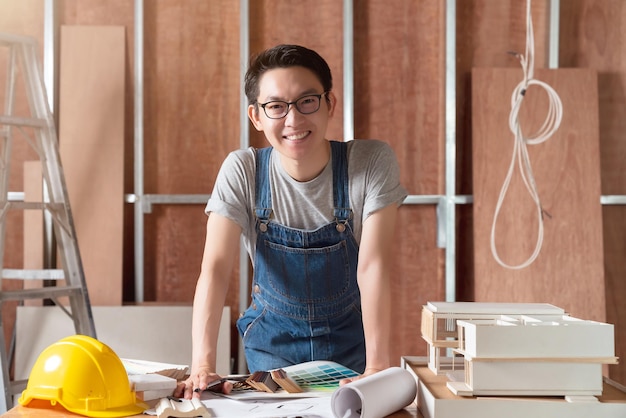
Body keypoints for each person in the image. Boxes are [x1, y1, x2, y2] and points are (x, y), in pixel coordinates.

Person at [176, 44, 407, 399]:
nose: (294, 120)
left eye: (307, 101)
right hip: (272, 352)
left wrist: (376, 367)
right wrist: (202, 364)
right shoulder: (244, 171)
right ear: (256, 117)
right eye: (276, 107)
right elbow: (216, 268)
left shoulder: (371, 162)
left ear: (329, 103)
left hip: (353, 350)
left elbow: (373, 266)